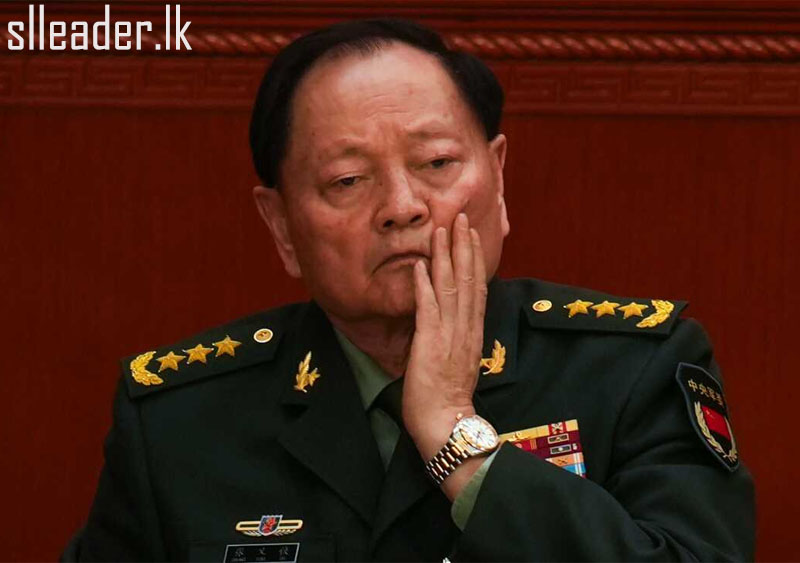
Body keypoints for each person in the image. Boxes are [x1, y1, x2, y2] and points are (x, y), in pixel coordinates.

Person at [64, 18, 755, 562]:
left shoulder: (633, 370)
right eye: (347, 180)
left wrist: (458, 439)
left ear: (498, 177)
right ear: (280, 227)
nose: (402, 206)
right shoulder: (178, 422)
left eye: (436, 162)